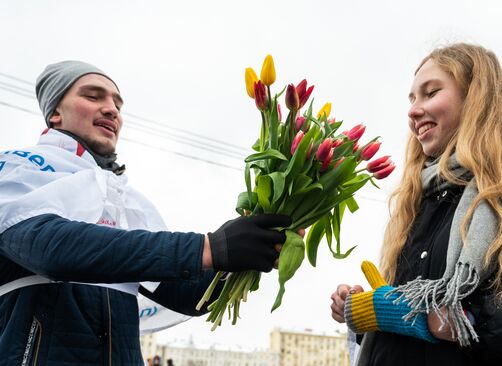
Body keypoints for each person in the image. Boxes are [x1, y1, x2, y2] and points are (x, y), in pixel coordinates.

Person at [0, 60, 293, 364]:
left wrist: (245, 253)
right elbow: (50, 248)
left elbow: (183, 293)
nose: (112, 109)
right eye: (93, 96)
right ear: (55, 113)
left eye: (117, 103)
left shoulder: (122, 198)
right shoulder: (20, 167)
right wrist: (210, 247)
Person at [330, 43, 502, 365]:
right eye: (411, 99)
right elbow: (420, 329)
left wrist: (466, 318)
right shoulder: (421, 198)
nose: (413, 111)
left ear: (476, 99)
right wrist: (372, 314)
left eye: (430, 93)